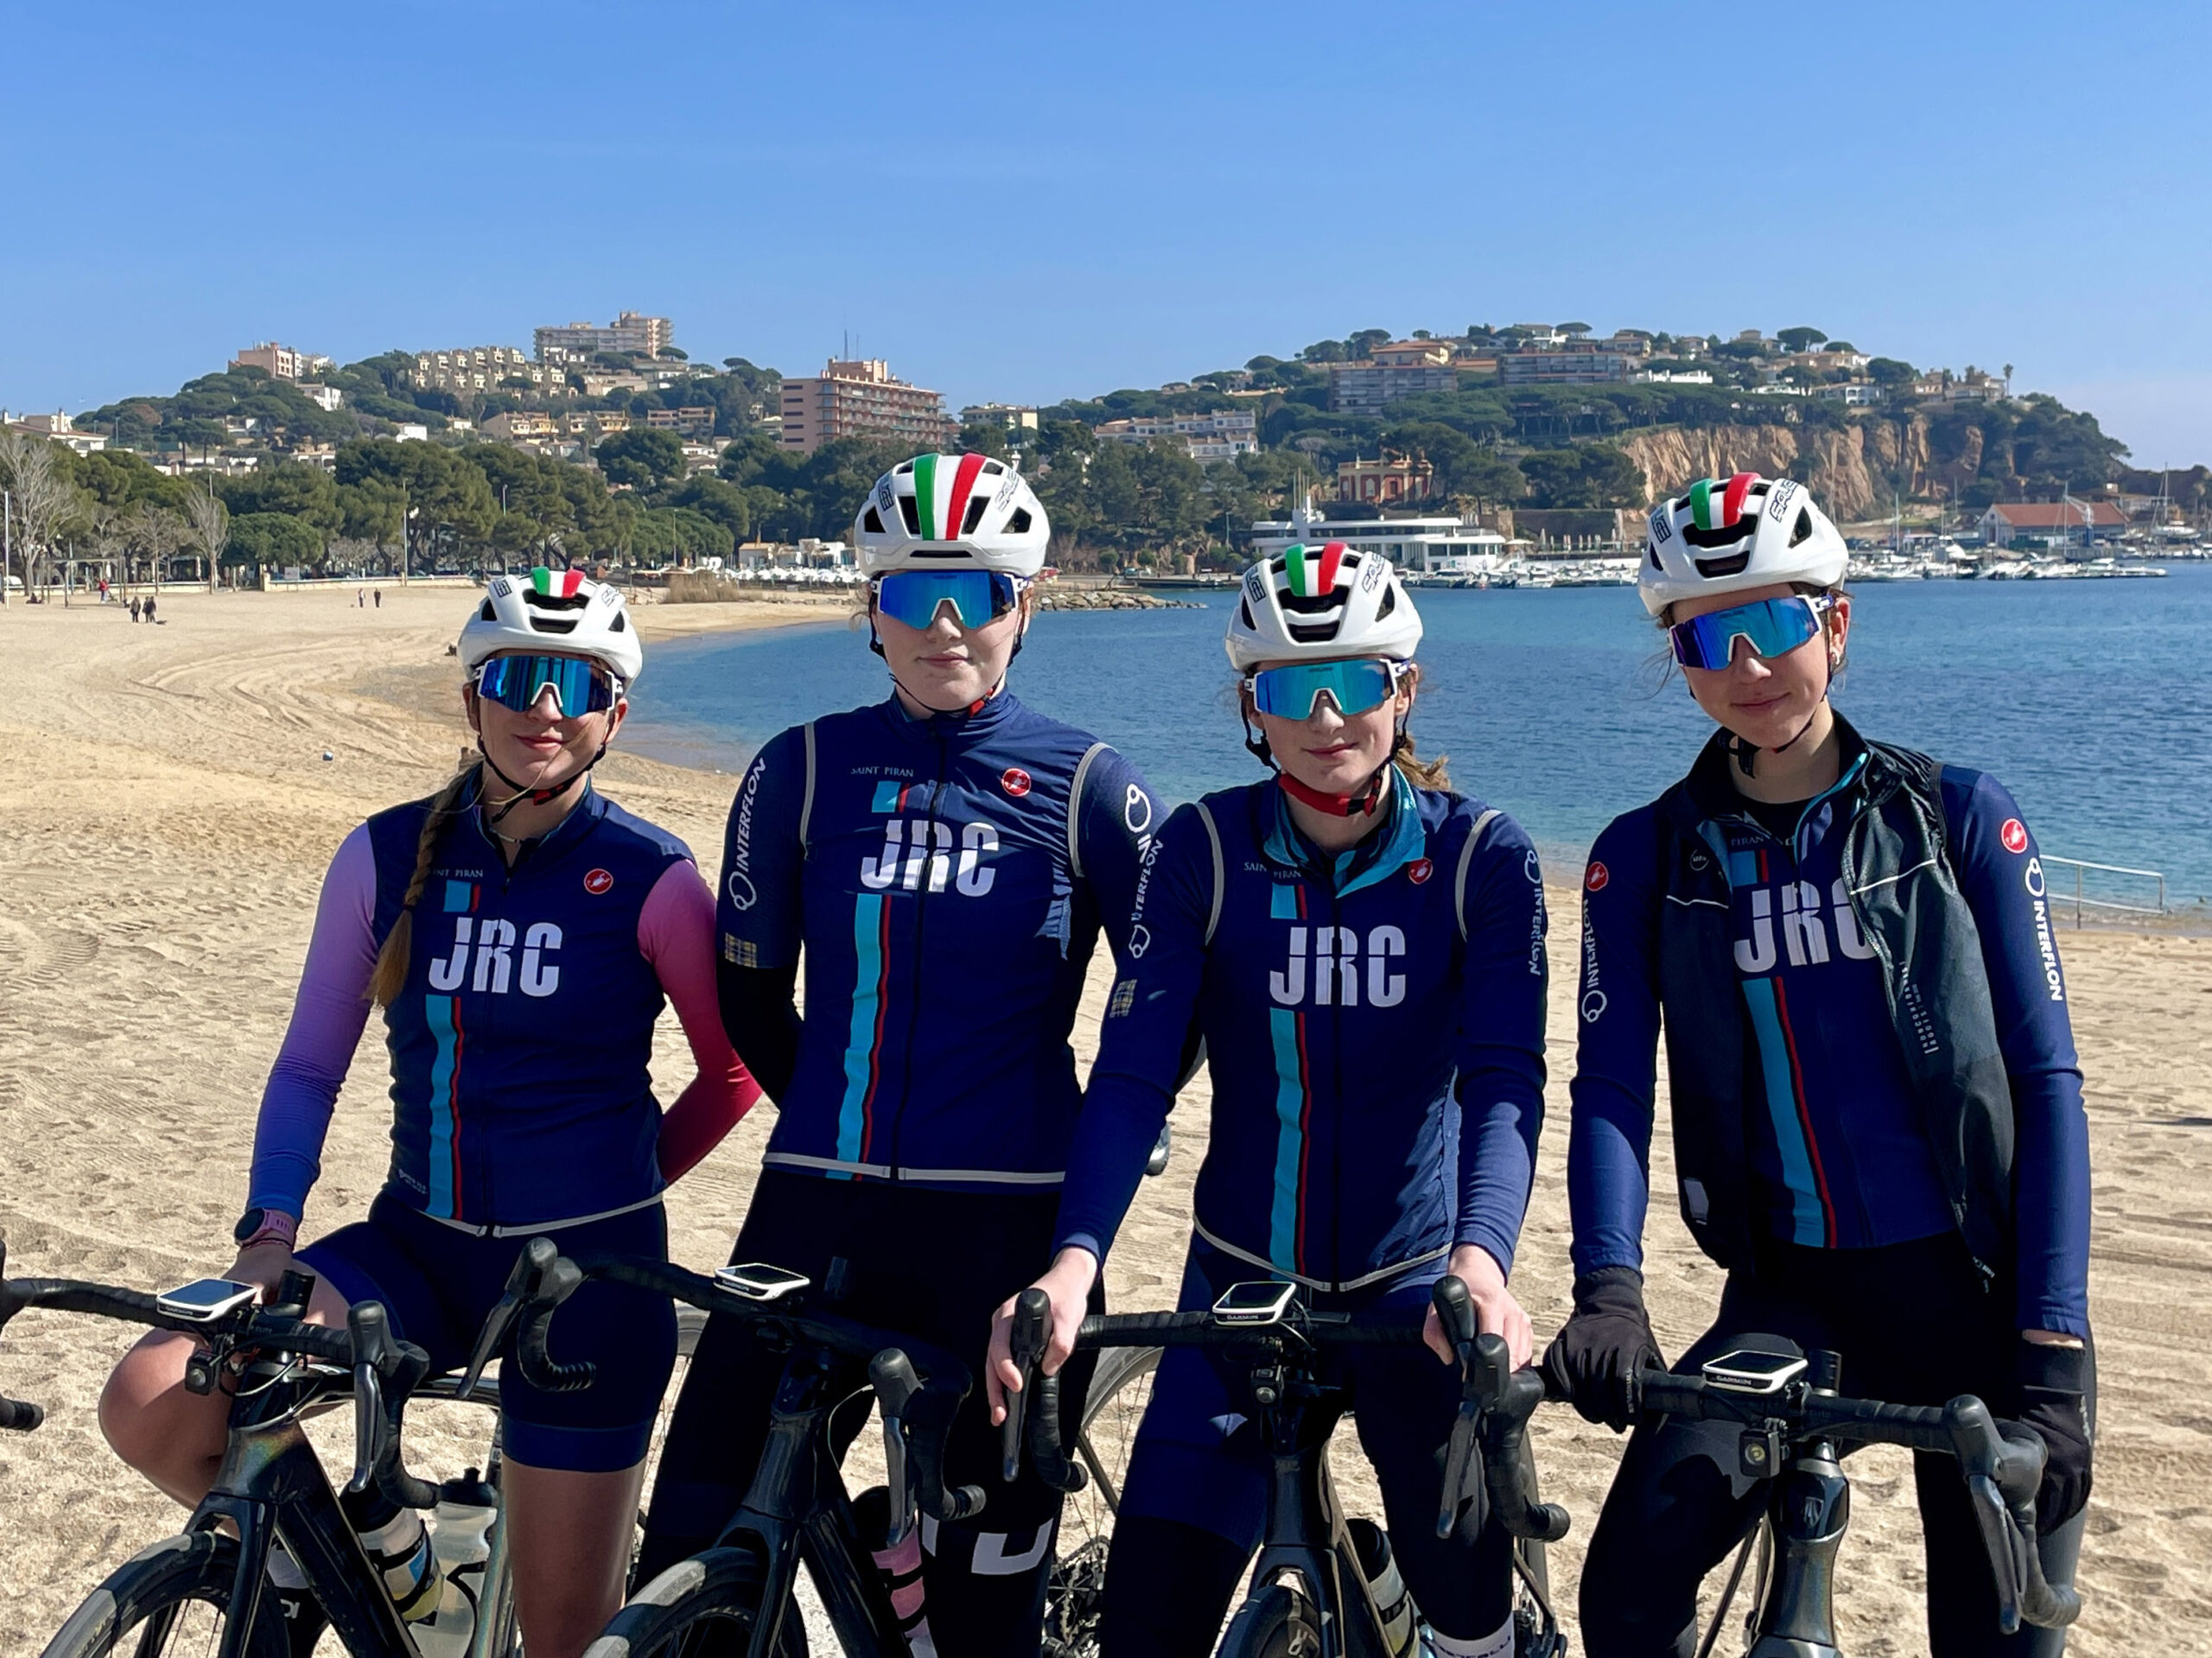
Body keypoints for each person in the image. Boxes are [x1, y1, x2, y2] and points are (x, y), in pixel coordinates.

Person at [99, 568, 760, 1658]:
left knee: (563, 1640)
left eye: (577, 683)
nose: (544, 706)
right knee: (153, 1395)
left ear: (615, 713)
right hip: (414, 1248)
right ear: (471, 698)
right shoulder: (386, 852)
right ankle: (382, 1564)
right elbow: (311, 1065)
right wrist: (269, 1237)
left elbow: (731, 1075)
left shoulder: (653, 877)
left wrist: (623, 1189)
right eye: (516, 675)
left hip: (591, 1283)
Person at [1544, 474, 2094, 1657]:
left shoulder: (1955, 816)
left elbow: (2048, 1083)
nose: (1751, 662)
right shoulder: (1646, 856)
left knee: (2002, 1636)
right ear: (1680, 659)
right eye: (1709, 633)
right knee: (1625, 1592)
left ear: (1836, 623)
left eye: (1780, 621)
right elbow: (1608, 1090)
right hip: (1793, 1301)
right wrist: (1610, 1286)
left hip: (1986, 1305)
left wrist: (2054, 1348)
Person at [635, 453, 1160, 1653]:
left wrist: (1088, 1178)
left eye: (974, 593)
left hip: (1008, 1230)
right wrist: (841, 1120)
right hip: (810, 1213)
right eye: (909, 593)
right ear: (869, 609)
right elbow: (756, 996)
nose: (942, 623)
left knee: (983, 1621)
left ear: (1025, 606)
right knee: (691, 1549)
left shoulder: (1090, 787)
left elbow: (1159, 1013)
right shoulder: (801, 769)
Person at [992, 546, 1550, 1658]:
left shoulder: (1484, 856)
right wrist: (1073, 1259)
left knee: (1476, 1631)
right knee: (1144, 1631)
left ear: (1405, 687)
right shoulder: (1204, 847)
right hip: (1239, 1289)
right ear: (1253, 704)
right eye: (1292, 685)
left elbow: (1504, 1082)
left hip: (1416, 1293)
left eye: (1357, 678)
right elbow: (1136, 1072)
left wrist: (1482, 1261)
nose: (1327, 711)